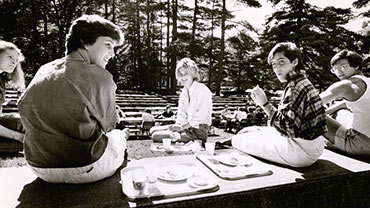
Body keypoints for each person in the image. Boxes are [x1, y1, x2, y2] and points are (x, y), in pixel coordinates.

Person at [18, 15, 129, 184]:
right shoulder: (100, 76)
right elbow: (110, 125)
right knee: (119, 135)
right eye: (108, 45)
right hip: (86, 167)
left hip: (38, 167)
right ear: (84, 41)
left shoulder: (44, 70)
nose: (112, 54)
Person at [220, 42, 327, 167]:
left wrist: (264, 104)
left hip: (300, 152)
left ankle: (228, 143)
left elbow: (288, 127)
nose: (276, 68)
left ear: (294, 62)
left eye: (281, 62)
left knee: (238, 140)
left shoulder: (294, 87)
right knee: (249, 130)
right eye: (274, 64)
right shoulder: (301, 81)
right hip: (315, 146)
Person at [150, 58, 212, 144]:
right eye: (180, 74)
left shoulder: (202, 90)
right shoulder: (183, 92)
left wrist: (181, 127)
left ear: (192, 74)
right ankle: (178, 136)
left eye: (186, 74)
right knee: (152, 130)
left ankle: (183, 138)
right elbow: (181, 114)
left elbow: (200, 117)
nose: (183, 77)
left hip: (198, 132)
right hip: (185, 128)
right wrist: (177, 127)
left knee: (155, 136)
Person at [320, 50, 370, 156]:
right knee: (340, 111)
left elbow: (310, 102)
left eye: (343, 67)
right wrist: (328, 111)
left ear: (356, 66)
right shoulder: (367, 81)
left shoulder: (346, 84)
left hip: (362, 144)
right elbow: (345, 103)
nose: (339, 72)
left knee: (314, 117)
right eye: (335, 69)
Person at [0, 40, 26, 144]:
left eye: (16, 60)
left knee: (27, 120)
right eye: (10, 57)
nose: (14, 62)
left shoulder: (1, 80)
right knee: (20, 123)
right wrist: (18, 137)